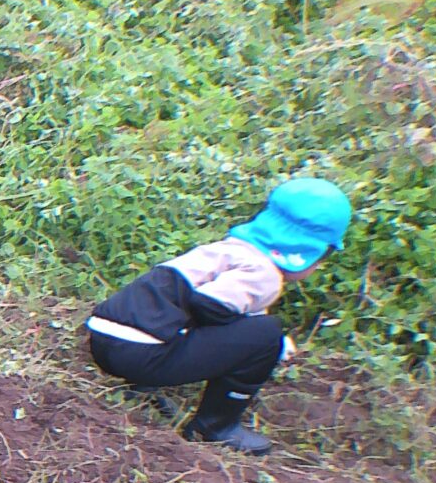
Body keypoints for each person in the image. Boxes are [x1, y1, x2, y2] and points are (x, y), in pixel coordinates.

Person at [86, 178, 353, 456]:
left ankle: (143, 384)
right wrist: (262, 345)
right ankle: (215, 426)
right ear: (309, 253)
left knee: (254, 330)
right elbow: (209, 304)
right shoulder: (265, 275)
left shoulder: (226, 250)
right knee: (267, 335)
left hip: (105, 340)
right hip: (140, 355)